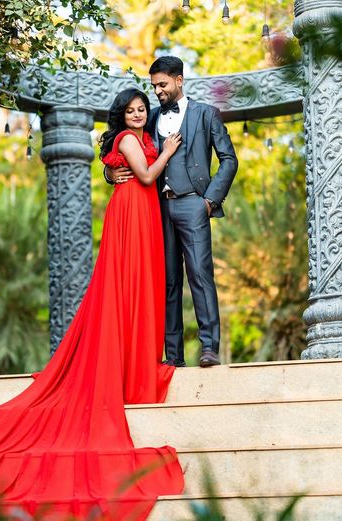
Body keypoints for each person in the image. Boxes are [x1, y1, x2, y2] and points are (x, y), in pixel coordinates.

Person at [0, 88, 184, 521]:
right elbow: (143, 176)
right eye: (132, 109)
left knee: (141, 285)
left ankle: (137, 359)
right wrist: (164, 153)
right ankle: (131, 369)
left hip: (139, 213)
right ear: (122, 115)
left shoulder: (128, 138)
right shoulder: (128, 139)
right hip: (133, 211)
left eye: (142, 108)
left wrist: (120, 169)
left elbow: (118, 174)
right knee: (128, 285)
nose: (139, 114)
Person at [106, 56, 238, 368]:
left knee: (200, 275)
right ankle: (173, 355)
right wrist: (110, 175)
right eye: (154, 86)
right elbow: (123, 149)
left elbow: (229, 160)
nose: (158, 91)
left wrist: (209, 201)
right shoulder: (147, 118)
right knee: (166, 280)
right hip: (157, 208)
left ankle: (208, 348)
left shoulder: (207, 114)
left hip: (195, 203)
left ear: (179, 80)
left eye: (162, 85)